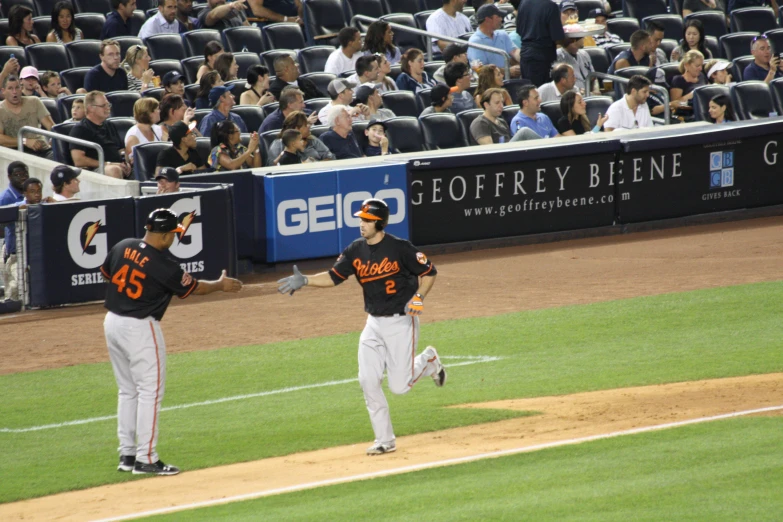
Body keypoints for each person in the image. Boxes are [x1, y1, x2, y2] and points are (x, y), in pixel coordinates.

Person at [276, 198, 446, 456]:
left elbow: (430, 272)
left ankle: (429, 360)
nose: (361, 224)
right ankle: (384, 440)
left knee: (399, 387)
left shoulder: (400, 249)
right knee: (367, 380)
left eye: (366, 219)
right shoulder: (356, 249)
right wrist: (306, 280)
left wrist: (419, 297)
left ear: (379, 222)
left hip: (401, 322)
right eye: (360, 219)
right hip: (373, 324)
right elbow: (334, 277)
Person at [102, 207, 242, 476]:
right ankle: (147, 458)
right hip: (140, 327)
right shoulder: (163, 265)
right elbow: (195, 288)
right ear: (164, 235)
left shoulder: (123, 246)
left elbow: (108, 274)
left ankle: (128, 455)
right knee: (150, 393)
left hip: (112, 322)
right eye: (174, 234)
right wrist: (220, 285)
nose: (175, 238)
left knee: (127, 390)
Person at [2, 176, 47, 301]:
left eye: (39, 191)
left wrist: (54, 202)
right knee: (16, 287)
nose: (37, 195)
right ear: (24, 193)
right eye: (32, 192)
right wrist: (16, 211)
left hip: (37, 256)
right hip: (15, 256)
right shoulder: (17, 206)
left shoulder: (45, 206)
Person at [69, 90, 130, 179]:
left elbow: (121, 150)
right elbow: (78, 160)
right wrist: (108, 164)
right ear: (91, 108)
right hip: (96, 170)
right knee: (114, 170)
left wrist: (126, 162)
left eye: (108, 105)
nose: (108, 108)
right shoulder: (80, 129)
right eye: (103, 106)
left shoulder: (110, 125)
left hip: (118, 166)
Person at [0, 75, 54, 159]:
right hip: (15, 154)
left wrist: (53, 139)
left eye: (17, 87)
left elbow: (51, 126)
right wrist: (24, 141)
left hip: (42, 150)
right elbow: (1, 139)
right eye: (10, 88)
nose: (14, 92)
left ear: (21, 88)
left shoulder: (34, 101)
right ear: (3, 91)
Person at [515, 0, 565, 87]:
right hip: (542, 59)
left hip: (525, 56)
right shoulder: (551, 6)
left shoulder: (523, 3)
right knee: (541, 94)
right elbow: (557, 37)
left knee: (530, 92)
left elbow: (519, 31)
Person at [470, 87, 538, 144]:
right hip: (496, 157)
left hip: (509, 155)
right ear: (486, 105)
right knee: (524, 132)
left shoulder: (502, 122)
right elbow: (489, 149)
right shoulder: (480, 123)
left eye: (502, 102)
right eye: (497, 103)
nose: (501, 106)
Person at [468, 4, 521, 77]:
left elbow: (514, 51)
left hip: (508, 80)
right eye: (498, 16)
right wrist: (507, 71)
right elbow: (481, 69)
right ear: (488, 19)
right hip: (489, 85)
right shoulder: (475, 41)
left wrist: (524, 60)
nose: (501, 19)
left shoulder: (502, 34)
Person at [266, 110, 335, 165]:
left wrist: (314, 165)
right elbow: (272, 166)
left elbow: (331, 158)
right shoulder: (279, 144)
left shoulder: (312, 139)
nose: (309, 126)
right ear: (296, 129)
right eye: (305, 125)